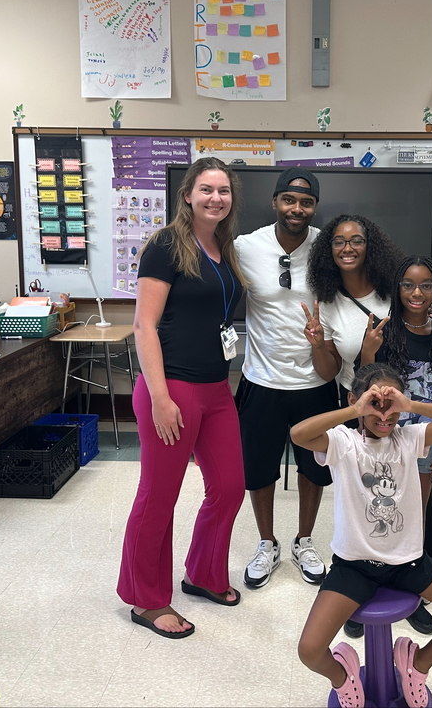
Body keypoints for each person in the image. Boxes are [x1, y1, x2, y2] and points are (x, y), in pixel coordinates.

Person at [292, 363, 432, 708]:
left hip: (408, 562)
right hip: (354, 565)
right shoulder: (343, 442)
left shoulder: (409, 438)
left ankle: (417, 665)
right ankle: (344, 678)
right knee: (309, 650)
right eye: (375, 405)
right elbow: (299, 434)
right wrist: (355, 411)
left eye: (391, 406)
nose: (384, 416)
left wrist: (410, 405)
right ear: (356, 400)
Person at [116, 157, 247, 639]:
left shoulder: (223, 247)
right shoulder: (166, 246)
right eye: (206, 189)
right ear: (187, 194)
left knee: (230, 486)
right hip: (172, 389)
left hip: (217, 389)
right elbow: (144, 325)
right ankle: (146, 599)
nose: (216, 198)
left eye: (224, 190)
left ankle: (203, 574)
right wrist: (159, 397)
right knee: (159, 496)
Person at [234, 167, 338, 588]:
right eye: (289, 200)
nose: (297, 208)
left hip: (315, 382)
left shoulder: (327, 248)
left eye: (306, 202)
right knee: (259, 470)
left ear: (314, 207)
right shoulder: (245, 247)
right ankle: (267, 543)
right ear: (275, 202)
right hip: (261, 380)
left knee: (315, 469)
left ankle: (304, 540)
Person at [360, 255, 432, 635]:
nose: (416, 292)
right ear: (397, 288)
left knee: (414, 514)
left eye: (426, 285)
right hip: (381, 440)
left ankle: (412, 588)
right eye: (408, 284)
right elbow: (364, 386)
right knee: (376, 509)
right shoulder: (384, 332)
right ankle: (364, 584)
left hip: (424, 443)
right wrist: (369, 352)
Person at [304, 214, 402, 399]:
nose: (347, 248)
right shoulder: (328, 304)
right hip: (357, 398)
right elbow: (328, 373)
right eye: (338, 242)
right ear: (329, 249)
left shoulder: (395, 292)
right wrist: (318, 346)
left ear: (370, 246)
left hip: (403, 395)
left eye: (357, 241)